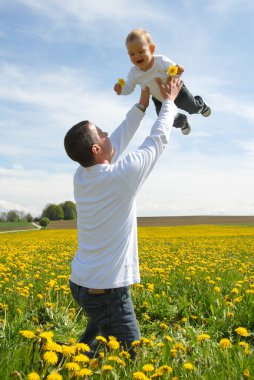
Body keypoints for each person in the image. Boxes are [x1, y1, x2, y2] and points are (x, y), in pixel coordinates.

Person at [64, 76, 183, 358]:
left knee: (101, 333)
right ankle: (62, 361)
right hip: (104, 291)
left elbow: (116, 141)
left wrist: (141, 106)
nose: (107, 135)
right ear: (96, 149)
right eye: (101, 133)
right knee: (130, 356)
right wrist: (169, 103)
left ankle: (68, 356)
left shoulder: (82, 175)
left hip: (83, 283)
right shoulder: (121, 176)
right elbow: (157, 140)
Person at [114, 28, 211, 135]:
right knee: (166, 118)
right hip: (159, 99)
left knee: (192, 107)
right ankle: (182, 122)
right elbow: (129, 87)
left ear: (151, 49)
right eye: (131, 54)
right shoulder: (134, 73)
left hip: (177, 91)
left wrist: (179, 70)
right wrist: (121, 89)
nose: (136, 56)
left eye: (141, 51)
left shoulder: (160, 61)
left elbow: (174, 70)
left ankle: (200, 106)